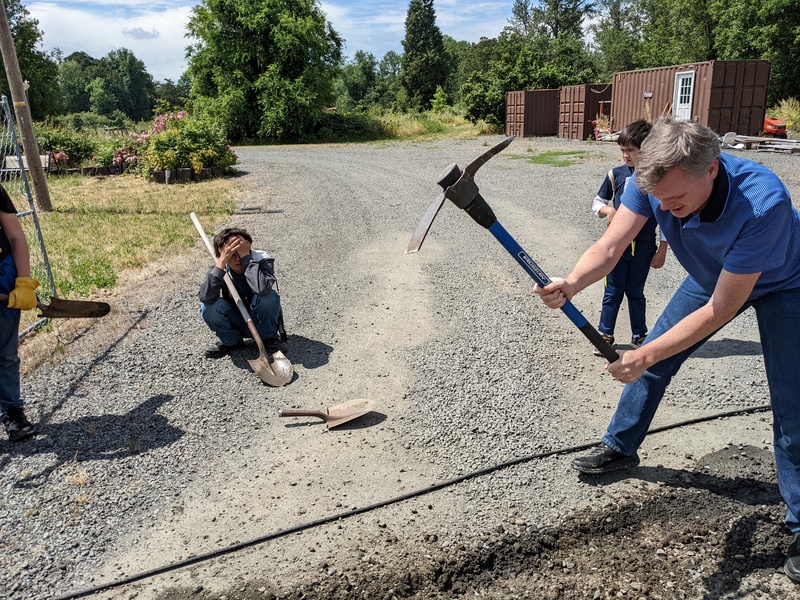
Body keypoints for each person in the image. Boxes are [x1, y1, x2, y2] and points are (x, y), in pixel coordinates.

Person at [534, 116, 800, 584]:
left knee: (792, 406)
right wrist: (572, 283)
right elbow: (612, 244)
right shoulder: (651, 178)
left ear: (713, 168)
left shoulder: (762, 202)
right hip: (712, 276)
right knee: (654, 361)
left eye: (676, 200)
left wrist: (646, 352)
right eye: (658, 201)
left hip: (785, 282)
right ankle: (620, 446)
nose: (667, 209)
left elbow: (721, 309)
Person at [591, 119, 668, 355]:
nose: (625, 155)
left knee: (635, 292)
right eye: (622, 150)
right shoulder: (615, 175)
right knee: (613, 291)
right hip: (617, 246)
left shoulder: (657, 178)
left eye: (631, 151)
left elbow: (665, 214)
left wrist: (663, 248)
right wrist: (608, 211)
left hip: (644, 247)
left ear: (646, 150)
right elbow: (597, 203)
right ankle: (605, 335)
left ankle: (639, 335)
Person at [198, 227, 285, 357]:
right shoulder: (220, 266)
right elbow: (206, 297)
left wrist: (247, 258)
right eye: (232, 254)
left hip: (259, 320)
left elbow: (261, 289)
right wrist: (221, 262)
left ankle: (269, 339)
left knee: (268, 297)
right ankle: (231, 341)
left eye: (241, 252)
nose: (237, 259)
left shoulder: (261, 259)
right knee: (207, 306)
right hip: (237, 319)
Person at [0, 184, 39, 442]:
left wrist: (23, 282)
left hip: (2, 277)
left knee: (5, 353)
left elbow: (16, 237)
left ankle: (12, 410)